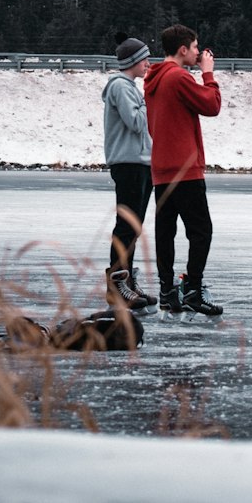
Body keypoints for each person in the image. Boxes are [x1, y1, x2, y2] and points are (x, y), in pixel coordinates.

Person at [143, 23, 223, 319]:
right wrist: (208, 73)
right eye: (195, 47)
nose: (198, 52)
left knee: (166, 231)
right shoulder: (178, 77)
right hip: (185, 168)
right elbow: (212, 105)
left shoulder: (152, 79)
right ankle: (193, 289)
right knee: (201, 231)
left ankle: (167, 291)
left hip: (161, 167)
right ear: (182, 49)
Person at [101, 33, 157, 313]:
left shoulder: (131, 87)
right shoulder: (121, 87)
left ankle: (127, 280)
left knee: (133, 226)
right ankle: (116, 284)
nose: (148, 63)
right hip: (128, 163)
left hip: (140, 162)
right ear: (133, 61)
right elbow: (135, 122)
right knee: (126, 225)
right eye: (145, 59)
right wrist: (150, 101)